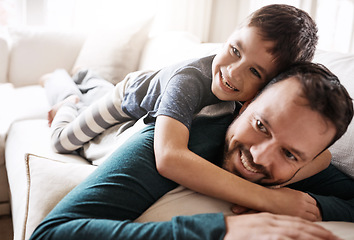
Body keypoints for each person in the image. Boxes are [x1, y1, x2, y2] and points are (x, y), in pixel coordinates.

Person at [42, 4, 328, 217]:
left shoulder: (261, 106)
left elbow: (324, 157)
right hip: (129, 95)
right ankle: (66, 94)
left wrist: (279, 182)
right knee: (63, 139)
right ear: (229, 37)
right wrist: (268, 198)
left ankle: (87, 79)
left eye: (255, 71)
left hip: (151, 93)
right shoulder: (189, 80)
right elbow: (169, 156)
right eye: (235, 50)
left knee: (95, 88)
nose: (232, 72)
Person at [30, 62, 353, 240]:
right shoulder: (181, 141)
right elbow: (53, 233)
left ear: (312, 160)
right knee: (80, 98)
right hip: (114, 125)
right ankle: (63, 81)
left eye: (291, 155)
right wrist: (220, 228)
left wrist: (314, 206)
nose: (260, 157)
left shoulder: (309, 158)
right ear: (246, 106)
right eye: (261, 126)